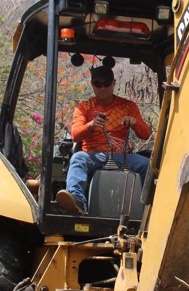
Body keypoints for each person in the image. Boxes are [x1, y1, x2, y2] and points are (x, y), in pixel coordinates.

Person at [56, 65, 151, 215]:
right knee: (78, 158)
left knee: (146, 164)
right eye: (98, 84)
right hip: (93, 155)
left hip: (122, 156)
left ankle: (148, 208)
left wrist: (134, 122)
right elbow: (75, 135)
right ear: (92, 85)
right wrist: (91, 125)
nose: (102, 88)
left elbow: (145, 134)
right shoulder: (84, 107)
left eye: (106, 84)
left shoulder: (128, 106)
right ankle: (77, 202)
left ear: (113, 84)